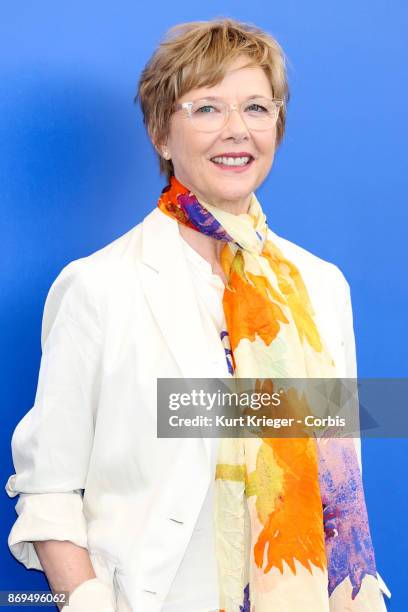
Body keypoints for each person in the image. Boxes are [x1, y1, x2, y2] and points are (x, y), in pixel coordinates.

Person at [5, 17, 391, 612]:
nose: (237, 132)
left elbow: (338, 482)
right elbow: (47, 489)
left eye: (257, 108)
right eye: (207, 108)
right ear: (162, 132)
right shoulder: (99, 287)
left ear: (278, 125)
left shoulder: (320, 288)